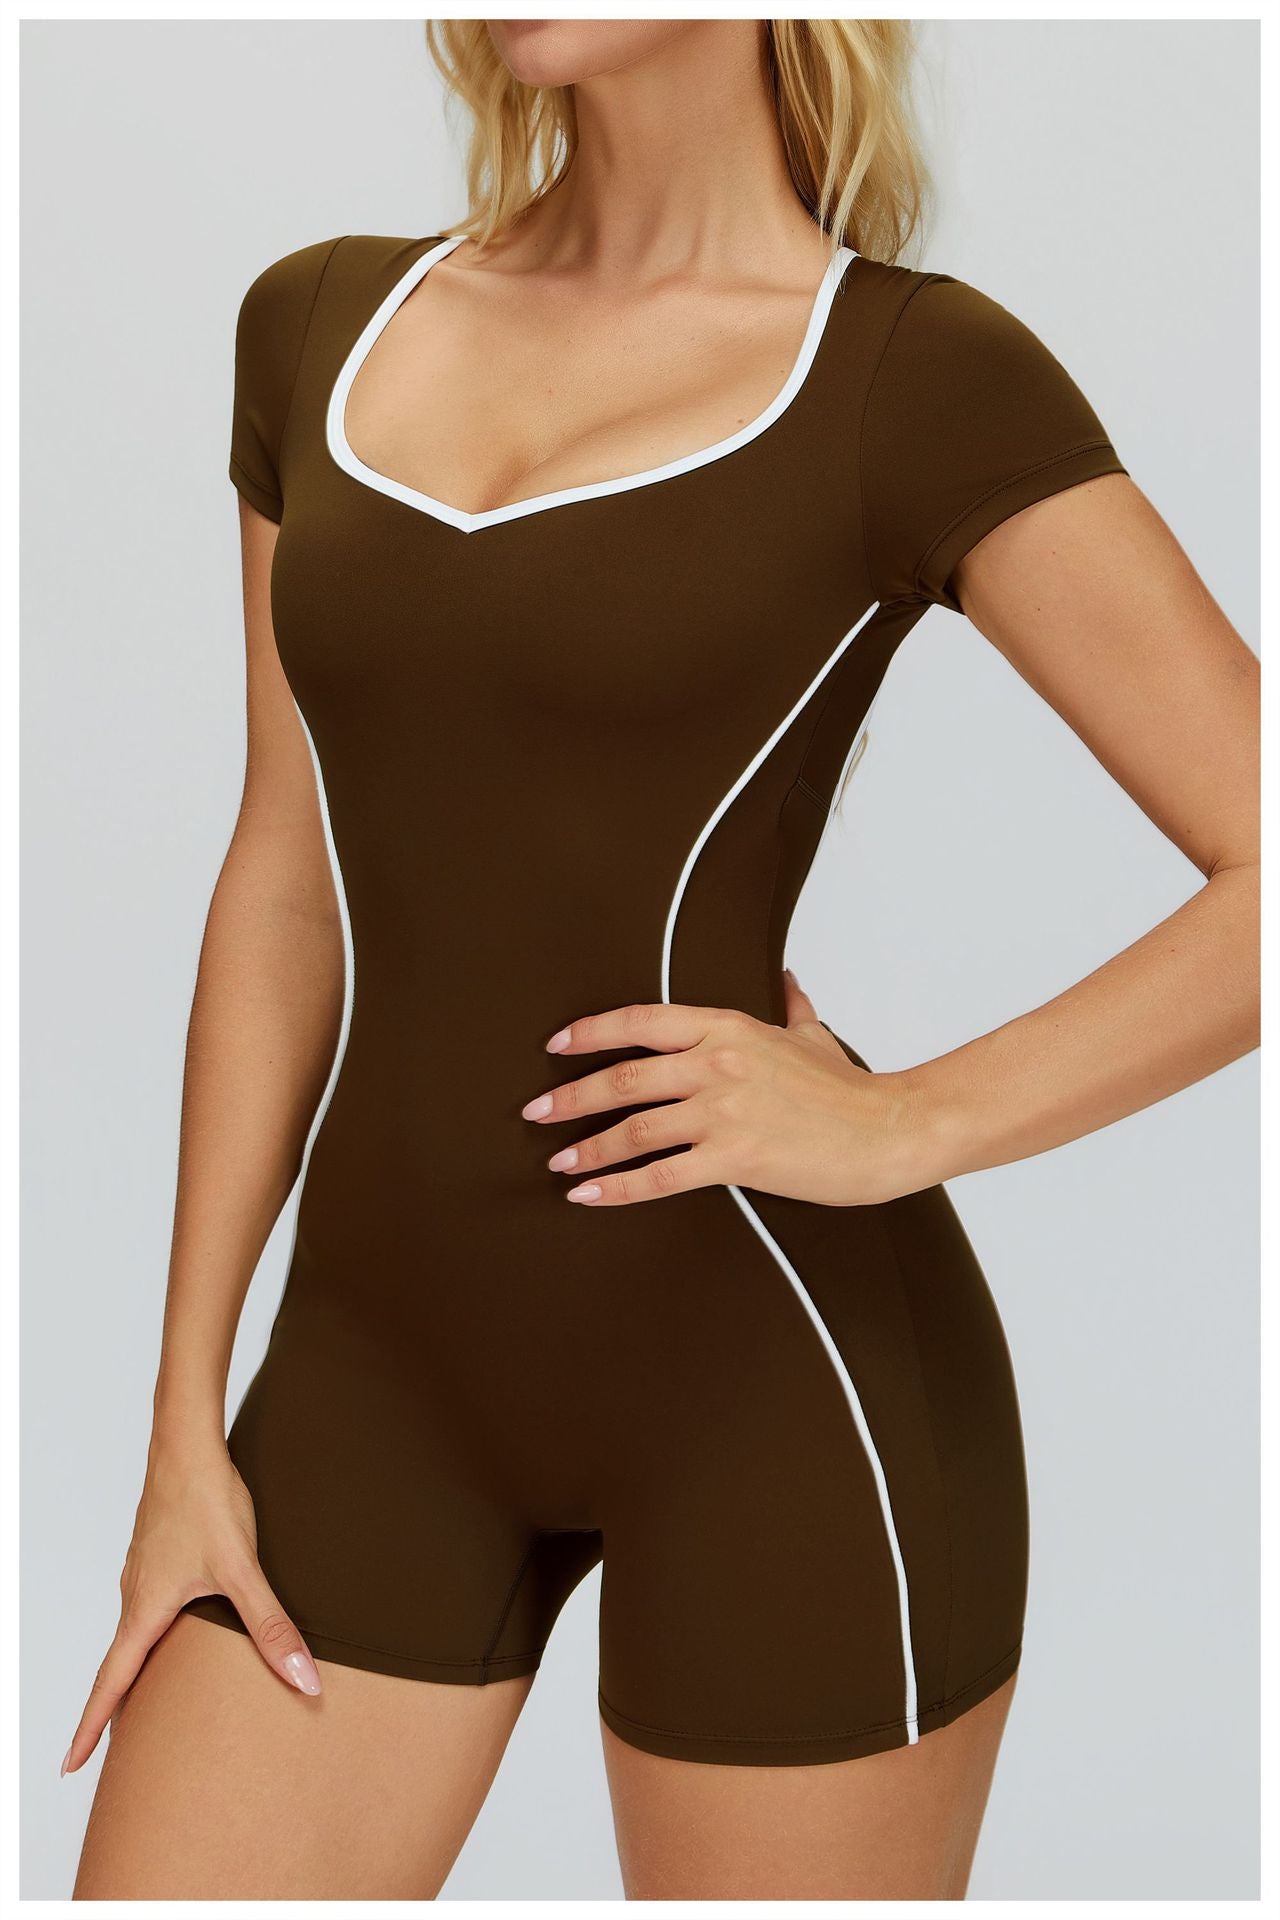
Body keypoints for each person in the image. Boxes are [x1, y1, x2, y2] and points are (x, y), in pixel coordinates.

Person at [66, 19, 1259, 1901]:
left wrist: (907, 1120)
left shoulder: (908, 377)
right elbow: (285, 876)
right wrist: (179, 1421)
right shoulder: (318, 327)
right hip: (377, 1371)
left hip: (777, 1386)